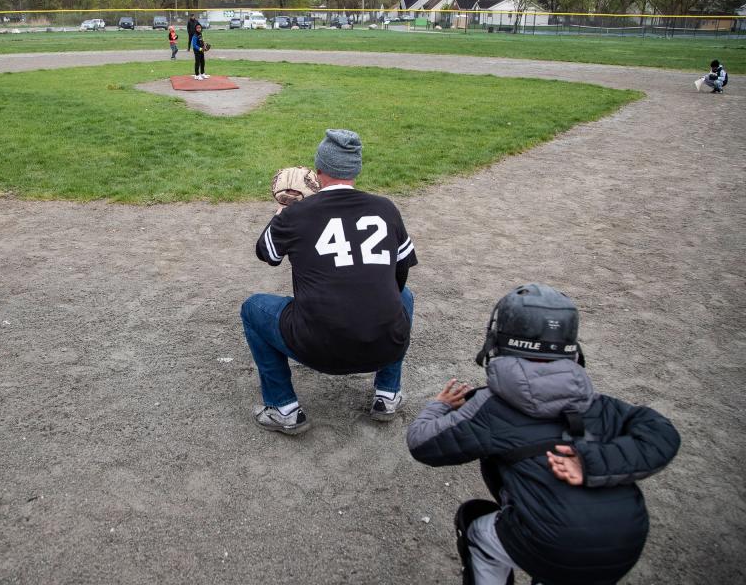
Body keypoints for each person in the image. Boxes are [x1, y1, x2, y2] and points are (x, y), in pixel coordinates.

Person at [406, 283, 681, 585]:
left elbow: (421, 442)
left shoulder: (490, 407)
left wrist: (438, 406)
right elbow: (662, 433)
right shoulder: (597, 403)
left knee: (475, 527)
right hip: (626, 542)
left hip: (554, 545)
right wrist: (596, 461)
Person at [241, 129, 418, 434]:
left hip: (317, 348)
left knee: (253, 308)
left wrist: (282, 212)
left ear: (318, 169)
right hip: (386, 345)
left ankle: (284, 408)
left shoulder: (296, 215)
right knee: (405, 297)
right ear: (356, 170)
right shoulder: (385, 208)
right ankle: (387, 395)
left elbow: (267, 254)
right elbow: (401, 274)